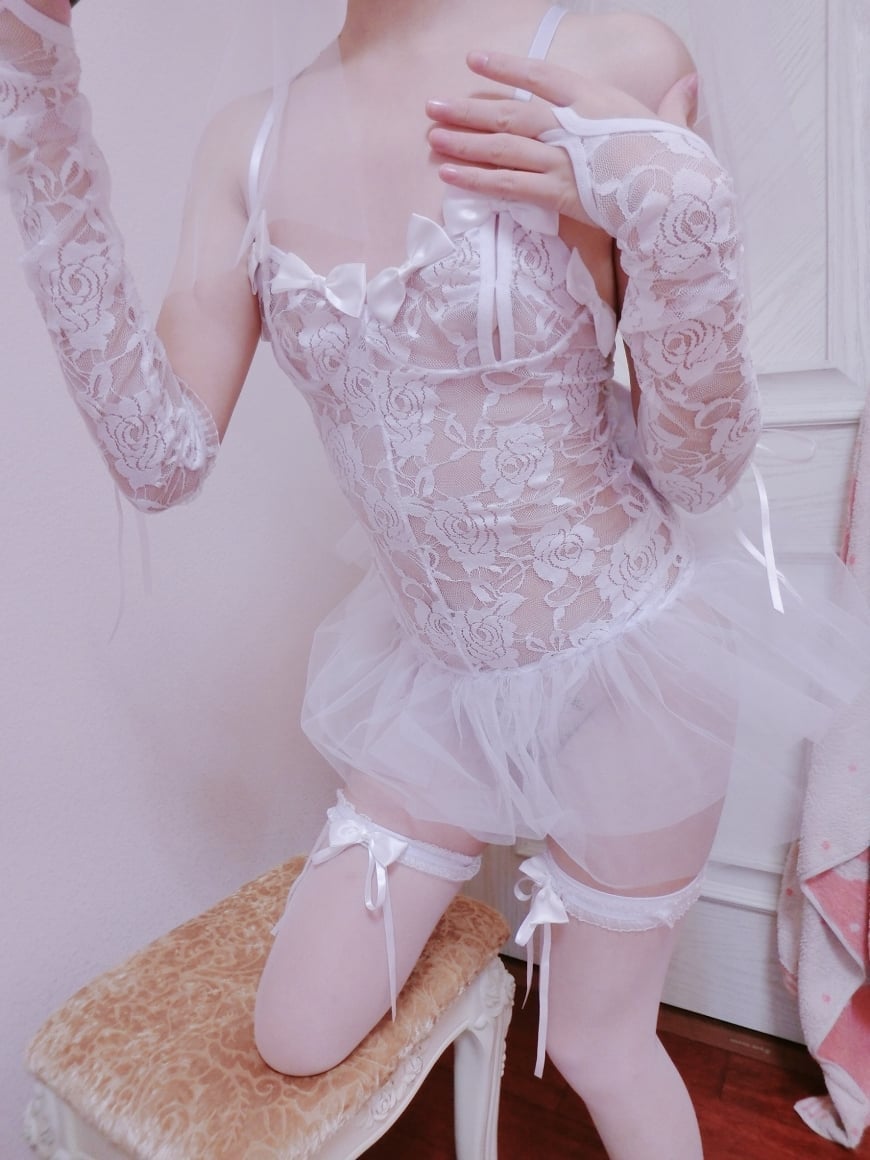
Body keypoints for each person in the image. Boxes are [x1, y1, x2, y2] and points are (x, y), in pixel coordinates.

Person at [2, 2, 867, 1157]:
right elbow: (160, 460)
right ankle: (477, 990)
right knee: (297, 1029)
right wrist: (35, 95)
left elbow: (698, 470)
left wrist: (684, 227)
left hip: (629, 655)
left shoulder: (611, 56)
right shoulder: (247, 141)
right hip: (438, 677)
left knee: (601, 1042)